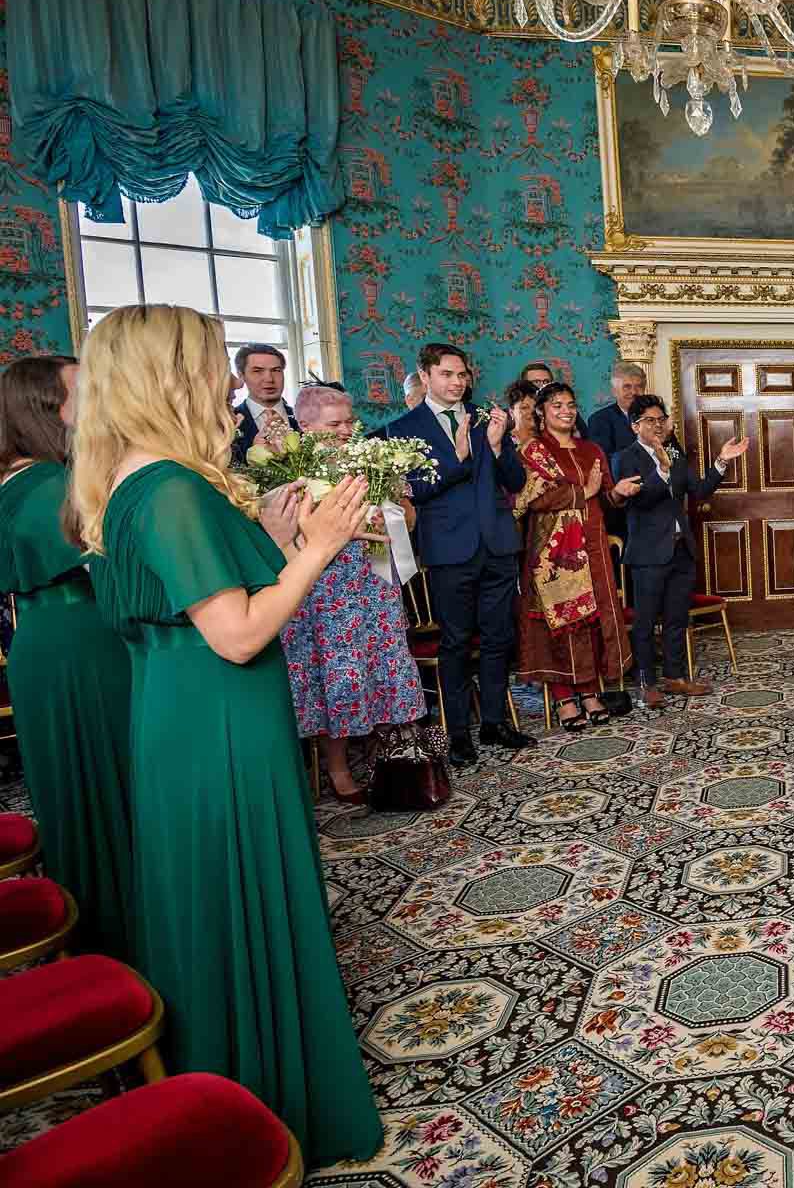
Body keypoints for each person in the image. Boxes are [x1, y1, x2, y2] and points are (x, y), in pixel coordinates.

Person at [66, 303, 381, 1163]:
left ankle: (234, 1081)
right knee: (240, 886)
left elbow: (192, 599)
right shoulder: (169, 487)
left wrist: (272, 538)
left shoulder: (134, 481)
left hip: (181, 707)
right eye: (207, 364)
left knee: (211, 897)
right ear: (170, 377)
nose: (222, 381)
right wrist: (316, 548)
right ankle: (266, 1101)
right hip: (219, 717)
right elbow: (238, 633)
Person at [0, 355, 133, 959]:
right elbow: (112, 569)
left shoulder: (16, 479)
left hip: (41, 646)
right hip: (83, 643)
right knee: (109, 788)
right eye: (84, 392)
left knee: (76, 793)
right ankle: (127, 930)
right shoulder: (55, 486)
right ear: (48, 408)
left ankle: (96, 923)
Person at [383, 343, 538, 766]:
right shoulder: (403, 429)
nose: (457, 382)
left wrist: (497, 445)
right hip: (450, 549)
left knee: (498, 638)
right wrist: (464, 456)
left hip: (498, 543)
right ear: (427, 375)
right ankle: (457, 734)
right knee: (454, 642)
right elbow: (421, 489)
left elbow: (515, 479)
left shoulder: (487, 420)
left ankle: (493, 721)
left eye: (462, 375)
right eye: (448, 374)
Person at [282, 381, 427, 802]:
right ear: (305, 426)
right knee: (337, 676)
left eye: (349, 421)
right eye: (334, 424)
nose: (346, 430)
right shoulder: (292, 473)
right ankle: (338, 766)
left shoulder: (371, 464)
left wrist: (396, 508)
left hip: (372, 584)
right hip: (324, 591)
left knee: (383, 668)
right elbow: (288, 537)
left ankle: (393, 760)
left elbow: (409, 525)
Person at [514, 382, 643, 728]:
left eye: (570, 404)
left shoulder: (591, 450)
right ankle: (564, 698)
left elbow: (603, 497)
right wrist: (580, 492)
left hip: (594, 545)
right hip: (555, 553)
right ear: (541, 411)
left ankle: (589, 691)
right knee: (561, 624)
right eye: (557, 405)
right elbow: (531, 500)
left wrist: (618, 492)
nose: (566, 411)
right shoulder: (533, 451)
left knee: (592, 622)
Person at [611, 395, 747, 707]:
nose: (658, 425)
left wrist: (722, 461)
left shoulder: (675, 454)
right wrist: (660, 469)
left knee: (677, 618)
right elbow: (640, 500)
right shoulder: (625, 458)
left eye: (661, 420)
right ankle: (645, 682)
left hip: (681, 550)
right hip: (647, 553)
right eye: (650, 421)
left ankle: (675, 677)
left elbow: (699, 490)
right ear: (635, 426)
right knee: (645, 622)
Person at [229, 344, 298, 464]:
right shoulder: (229, 422)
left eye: (276, 370)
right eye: (258, 371)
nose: (269, 379)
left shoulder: (304, 417)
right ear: (241, 375)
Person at [520, 360, 589, 441]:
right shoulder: (514, 414)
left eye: (546, 382)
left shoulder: (567, 412)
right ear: (523, 385)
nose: (542, 386)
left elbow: (585, 439)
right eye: (536, 382)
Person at [587, 362, 647, 455]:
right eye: (627, 387)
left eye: (638, 387)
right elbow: (604, 460)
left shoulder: (656, 416)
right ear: (614, 391)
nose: (634, 392)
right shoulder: (599, 420)